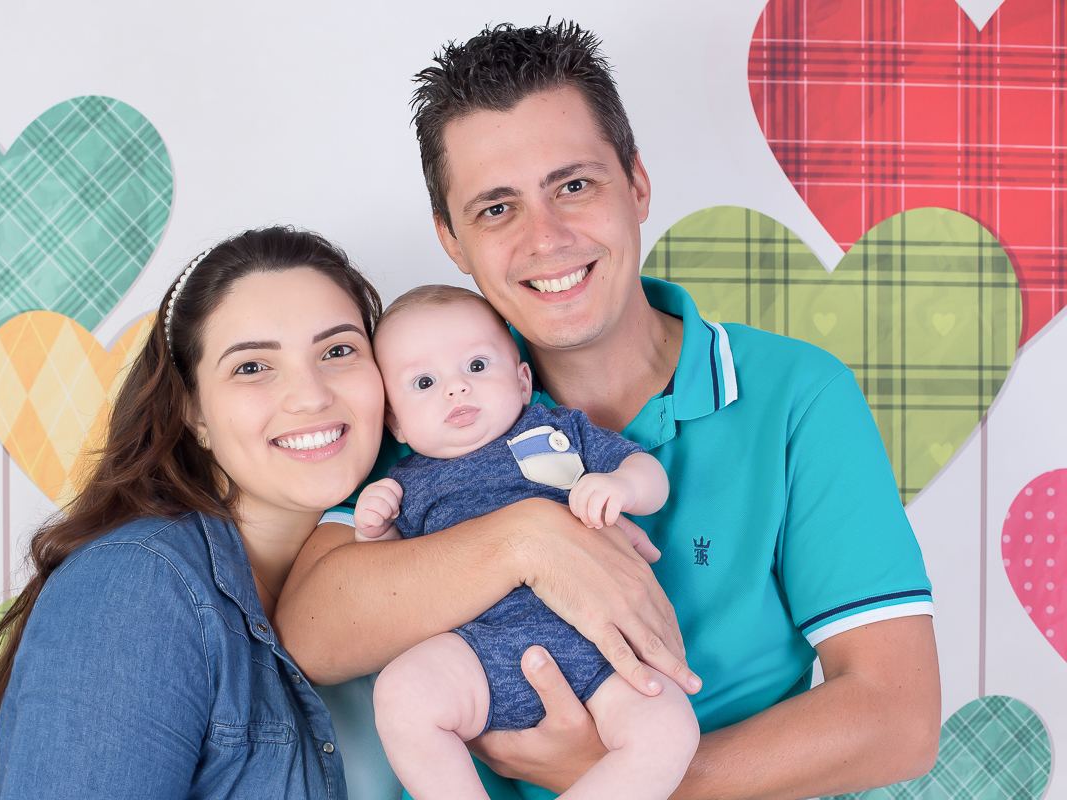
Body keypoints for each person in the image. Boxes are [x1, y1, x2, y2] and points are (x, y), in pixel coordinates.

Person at [277, 20, 941, 800]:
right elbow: (313, 631)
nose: (546, 238)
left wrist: (614, 775)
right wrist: (527, 541)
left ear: (637, 184)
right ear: (452, 241)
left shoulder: (796, 395)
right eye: (496, 209)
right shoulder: (431, 399)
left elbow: (898, 719)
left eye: (574, 186)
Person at [0, 227, 388, 800]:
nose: (310, 395)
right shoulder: (134, 590)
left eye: (337, 351)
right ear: (193, 411)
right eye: (252, 367)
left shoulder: (409, 555)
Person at [354, 285, 697, 799]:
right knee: (402, 693)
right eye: (424, 382)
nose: (456, 389)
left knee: (670, 727)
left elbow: (649, 475)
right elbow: (390, 589)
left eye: (476, 366)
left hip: (599, 648)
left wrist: (622, 485)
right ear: (396, 422)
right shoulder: (404, 485)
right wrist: (376, 530)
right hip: (477, 653)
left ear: (521, 382)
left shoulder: (558, 431)